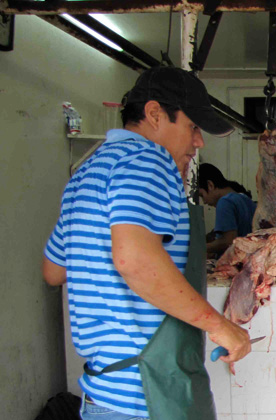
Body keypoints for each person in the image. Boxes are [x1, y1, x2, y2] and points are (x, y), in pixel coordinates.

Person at [41, 66, 252, 419]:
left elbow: (54, 270)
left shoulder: (86, 174)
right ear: (154, 114)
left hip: (102, 396)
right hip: (149, 398)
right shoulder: (148, 159)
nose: (199, 142)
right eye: (192, 127)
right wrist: (219, 326)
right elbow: (134, 260)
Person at [198, 163, 257, 256]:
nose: (204, 201)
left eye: (202, 195)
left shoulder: (225, 202)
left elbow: (228, 241)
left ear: (210, 185)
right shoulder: (244, 198)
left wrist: (201, 249)